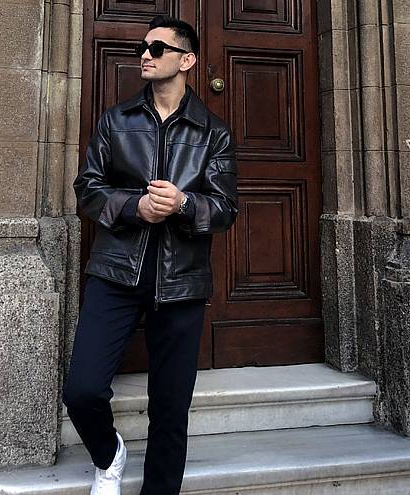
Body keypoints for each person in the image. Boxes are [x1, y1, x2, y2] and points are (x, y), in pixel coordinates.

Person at [63, 15, 238, 495]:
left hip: (181, 279)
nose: (145, 54)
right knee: (82, 389)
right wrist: (134, 206)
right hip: (116, 270)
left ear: (187, 60)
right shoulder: (116, 121)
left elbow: (225, 209)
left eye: (158, 49)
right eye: (143, 47)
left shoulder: (213, 133)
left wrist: (183, 204)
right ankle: (108, 456)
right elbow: (88, 189)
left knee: (170, 407)